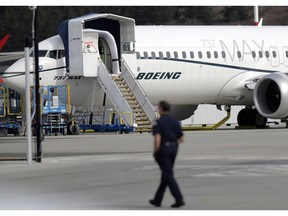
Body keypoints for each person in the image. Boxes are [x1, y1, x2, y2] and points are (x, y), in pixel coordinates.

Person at [149, 100, 185, 208]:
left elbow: (157, 137)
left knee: (168, 175)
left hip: (164, 149)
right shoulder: (175, 121)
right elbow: (182, 138)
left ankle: (178, 198)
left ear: (161, 109)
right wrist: (173, 144)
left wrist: (156, 151)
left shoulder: (158, 122)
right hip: (174, 149)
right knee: (166, 173)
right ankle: (157, 200)